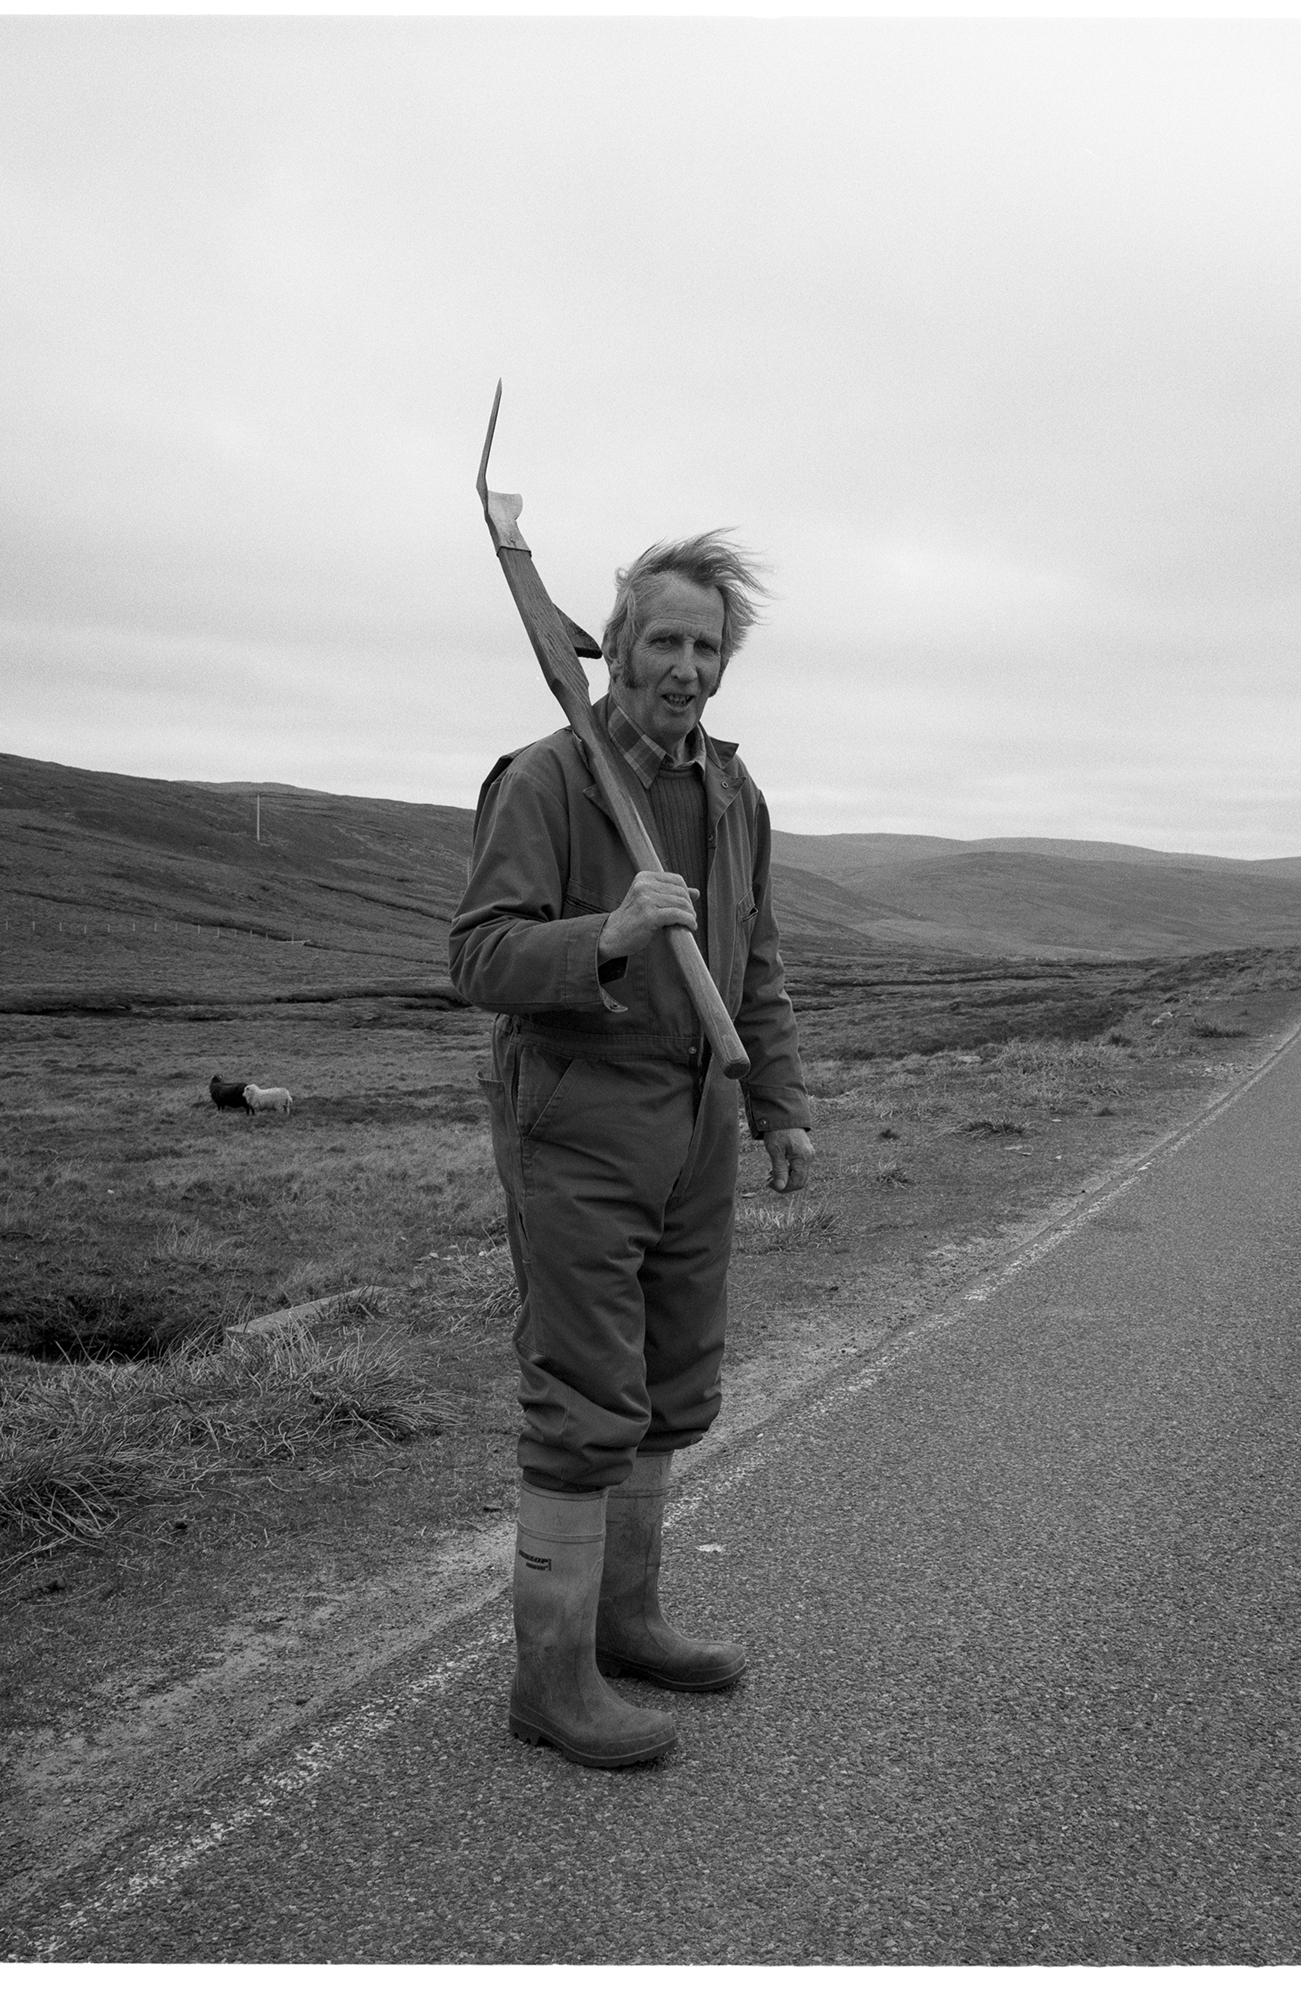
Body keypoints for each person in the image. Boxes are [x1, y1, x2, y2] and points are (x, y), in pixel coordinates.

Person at [448, 531, 819, 1769]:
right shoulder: (549, 778)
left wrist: (778, 1102)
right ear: (614, 646)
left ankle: (627, 1619)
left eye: (706, 646)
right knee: (584, 1390)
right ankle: (550, 1676)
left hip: (696, 1116)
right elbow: (478, 955)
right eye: (663, 639)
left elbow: (754, 958)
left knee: (671, 1378)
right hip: (578, 1110)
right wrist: (604, 935)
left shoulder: (732, 791)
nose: (685, 667)